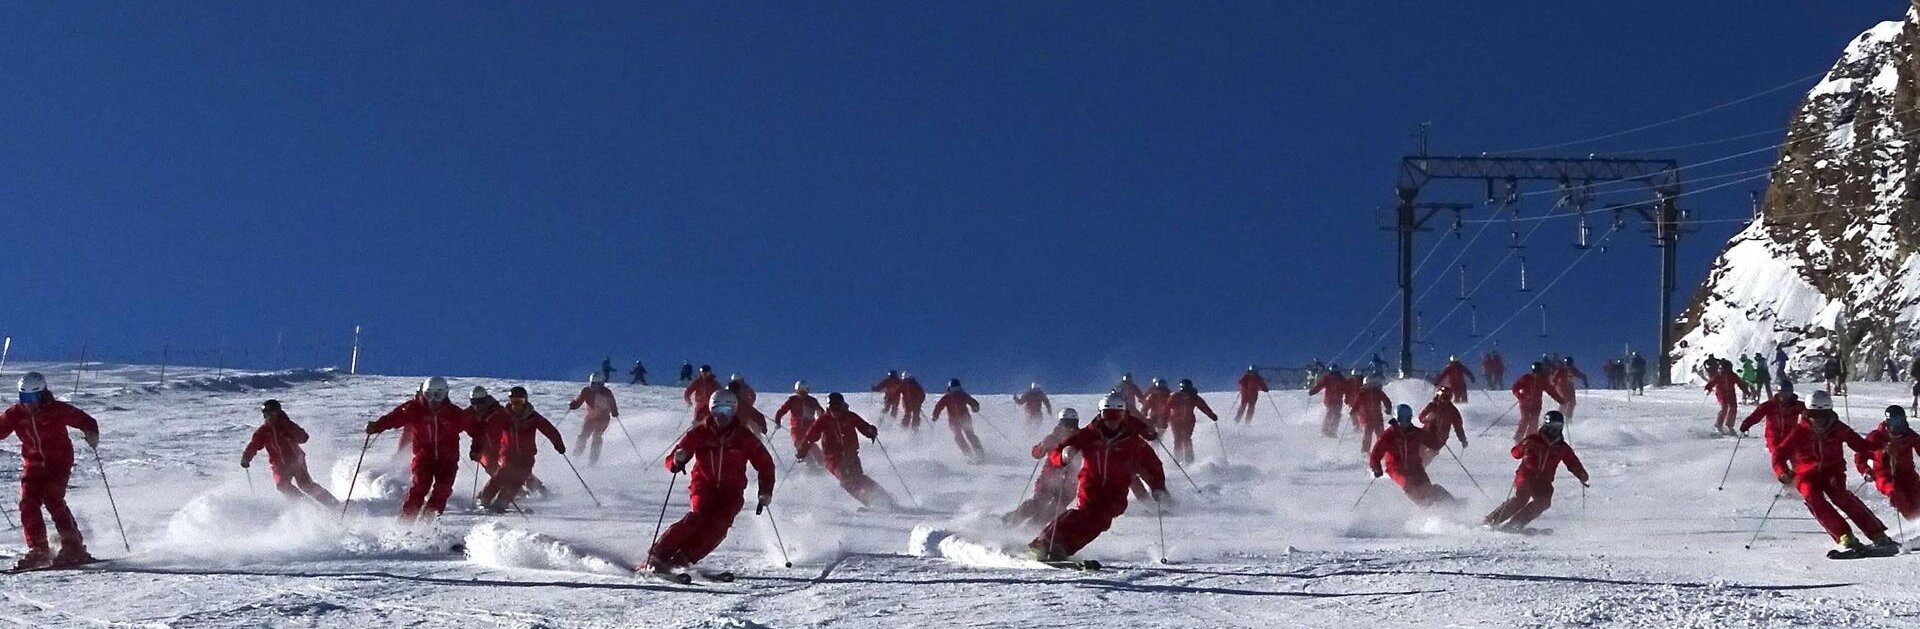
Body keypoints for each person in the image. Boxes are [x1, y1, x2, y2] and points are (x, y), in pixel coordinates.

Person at [645, 389, 776, 576]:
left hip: (732, 491)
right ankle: (658, 555)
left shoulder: (744, 437)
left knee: (719, 525)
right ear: (711, 410)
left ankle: (684, 558)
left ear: (734, 411)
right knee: (698, 517)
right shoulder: (700, 433)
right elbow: (672, 459)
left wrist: (766, 491)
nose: (722, 416)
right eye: (717, 410)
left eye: (727, 410)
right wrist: (677, 459)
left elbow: (765, 465)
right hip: (704, 485)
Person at [1028, 393, 1168, 562]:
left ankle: (1064, 548)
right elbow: (1059, 450)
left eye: (1116, 415)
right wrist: (1064, 456)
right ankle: (1045, 542)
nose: (1112, 421)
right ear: (1100, 414)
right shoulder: (1089, 434)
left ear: (1124, 416)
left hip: (1117, 490)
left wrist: (1158, 485)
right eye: (1107, 415)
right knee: (1084, 515)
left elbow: (1152, 464)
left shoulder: (1132, 440)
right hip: (1091, 484)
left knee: (1100, 522)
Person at [1771, 390, 1898, 556]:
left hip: (1833, 471)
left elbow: (1861, 445)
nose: (1819, 419)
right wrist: (1782, 471)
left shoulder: (1838, 428)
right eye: (1814, 414)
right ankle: (1844, 536)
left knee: (1841, 496)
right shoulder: (1799, 431)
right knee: (1812, 497)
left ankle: (1877, 534)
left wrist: (1881, 453)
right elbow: (1779, 453)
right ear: (1808, 413)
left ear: (1829, 412)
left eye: (1823, 414)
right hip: (1806, 474)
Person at [0, 372, 101, 569]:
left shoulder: (57, 410)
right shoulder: (15, 414)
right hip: (33, 464)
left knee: (52, 497)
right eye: (24, 398)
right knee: (28, 502)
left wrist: (91, 433)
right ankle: (38, 550)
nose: (28, 403)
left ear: (42, 394)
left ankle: (74, 547)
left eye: (32, 398)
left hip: (59, 462)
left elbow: (86, 421)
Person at [365, 377, 480, 519]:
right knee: (420, 487)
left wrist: (477, 448)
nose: (433, 400)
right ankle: (406, 521)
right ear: (423, 394)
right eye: (429, 395)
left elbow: (475, 430)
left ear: (445, 394)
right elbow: (394, 418)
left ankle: (428, 523)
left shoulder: (454, 413)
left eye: (438, 395)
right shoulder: (414, 408)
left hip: (448, 461)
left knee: (442, 490)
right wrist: (377, 426)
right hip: (424, 457)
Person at [1483, 411, 1588, 532]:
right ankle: (1492, 520)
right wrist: (1523, 447)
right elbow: (1515, 453)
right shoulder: (1533, 439)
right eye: (1553, 427)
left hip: (1544, 480)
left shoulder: (1561, 447)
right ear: (1547, 425)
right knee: (1521, 498)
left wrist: (1581, 474)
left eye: (1558, 427)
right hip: (1526, 475)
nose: (1555, 430)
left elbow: (1572, 461)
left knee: (1543, 502)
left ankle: (1515, 524)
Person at [796, 393, 896, 508]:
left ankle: (886, 499)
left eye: (837, 409)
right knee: (846, 480)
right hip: (832, 458)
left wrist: (870, 431)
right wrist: (803, 449)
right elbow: (810, 436)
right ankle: (870, 502)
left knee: (859, 477)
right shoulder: (823, 420)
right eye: (832, 409)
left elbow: (862, 426)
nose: (835, 412)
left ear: (842, 406)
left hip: (850, 454)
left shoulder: (849, 416)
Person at [473, 387, 565, 513]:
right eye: (513, 401)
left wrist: (558, 443)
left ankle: (502, 501)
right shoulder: (505, 415)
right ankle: (484, 498)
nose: (516, 405)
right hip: (508, 454)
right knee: (502, 475)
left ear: (525, 401)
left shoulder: (533, 417)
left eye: (519, 401)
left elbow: (549, 430)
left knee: (518, 479)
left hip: (526, 456)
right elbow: (491, 426)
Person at [242, 399, 338, 507]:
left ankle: (333, 504)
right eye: (267, 415)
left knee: (305, 485)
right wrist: (246, 457)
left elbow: (304, 437)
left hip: (296, 461)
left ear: (278, 413)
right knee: (282, 485)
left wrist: (290, 433)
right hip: (278, 465)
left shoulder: (287, 425)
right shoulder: (263, 431)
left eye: (272, 414)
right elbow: (254, 445)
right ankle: (307, 506)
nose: (270, 417)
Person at [1007, 408, 1083, 527]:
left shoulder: (1082, 439)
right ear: (1061, 423)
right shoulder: (1052, 438)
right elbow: (1036, 454)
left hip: (1070, 482)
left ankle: (1031, 529)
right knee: (1038, 504)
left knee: (1056, 509)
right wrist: (1042, 447)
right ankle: (1011, 520)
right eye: (1066, 423)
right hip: (1049, 479)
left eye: (1073, 423)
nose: (1070, 427)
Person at [1370, 404, 1454, 507]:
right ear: (1396, 418)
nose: (1404, 422)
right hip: (1396, 468)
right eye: (1401, 419)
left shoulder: (1415, 432)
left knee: (1428, 488)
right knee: (1409, 486)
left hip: (1415, 466)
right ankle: (1426, 508)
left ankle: (1453, 505)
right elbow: (1376, 453)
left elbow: (1433, 442)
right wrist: (1376, 467)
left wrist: (1434, 430)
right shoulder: (1389, 435)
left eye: (1407, 419)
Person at [1857, 405, 1920, 521]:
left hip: (1907, 474)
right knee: (1896, 494)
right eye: (1894, 422)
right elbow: (1860, 456)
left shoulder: (1909, 435)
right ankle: (1913, 520)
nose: (1898, 427)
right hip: (1884, 475)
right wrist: (1866, 471)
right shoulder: (1876, 437)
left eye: (1900, 422)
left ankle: (1917, 518)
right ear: (1887, 423)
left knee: (1917, 493)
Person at [569, 372, 622, 465]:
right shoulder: (586, 391)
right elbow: (579, 400)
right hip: (590, 418)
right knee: (583, 436)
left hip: (603, 419)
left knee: (597, 437)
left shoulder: (606, 392)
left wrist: (614, 412)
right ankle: (576, 455)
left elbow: (612, 403)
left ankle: (593, 461)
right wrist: (574, 404)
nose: (594, 386)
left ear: (601, 384)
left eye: (596, 384)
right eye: (592, 383)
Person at [1510, 362, 1567, 445]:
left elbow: (1551, 391)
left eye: (1538, 372)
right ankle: (1518, 439)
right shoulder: (1526, 378)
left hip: (1536, 406)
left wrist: (1560, 400)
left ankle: (1530, 439)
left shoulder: (1543, 380)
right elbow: (1515, 387)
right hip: (1525, 404)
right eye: (1535, 372)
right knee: (1525, 420)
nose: (1536, 374)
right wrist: (1520, 396)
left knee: (1534, 422)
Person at [1739, 384, 1803, 457]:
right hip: (1773, 437)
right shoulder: (1770, 405)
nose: (1785, 396)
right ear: (1778, 393)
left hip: (1790, 437)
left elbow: (1810, 411)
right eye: (1782, 393)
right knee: (1778, 456)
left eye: (1787, 393)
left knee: (1796, 457)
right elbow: (1757, 415)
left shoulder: (1796, 405)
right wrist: (1747, 423)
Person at [1166, 379, 1219, 464]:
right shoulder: (1175, 396)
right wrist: (1164, 420)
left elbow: (1203, 406)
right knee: (1178, 439)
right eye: (1183, 389)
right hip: (1176, 421)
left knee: (1186, 439)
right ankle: (1178, 459)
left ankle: (1189, 460)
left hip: (1188, 421)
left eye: (1186, 389)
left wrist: (1211, 415)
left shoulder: (1194, 397)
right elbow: (1167, 407)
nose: (1185, 392)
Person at [932, 379, 986, 460]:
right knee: (958, 437)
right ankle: (968, 454)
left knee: (969, 434)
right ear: (950, 389)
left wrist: (975, 407)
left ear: (960, 388)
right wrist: (935, 415)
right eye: (953, 389)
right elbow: (939, 406)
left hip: (965, 418)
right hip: (954, 421)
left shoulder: (962, 395)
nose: (955, 391)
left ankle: (980, 452)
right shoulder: (947, 397)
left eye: (957, 389)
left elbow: (972, 401)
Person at [775, 381, 825, 467]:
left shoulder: (811, 401)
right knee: (798, 443)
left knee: (811, 445)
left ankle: (823, 463)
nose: (802, 395)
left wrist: (821, 418)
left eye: (804, 392)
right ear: (796, 391)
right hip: (796, 428)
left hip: (809, 428)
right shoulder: (792, 400)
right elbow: (782, 410)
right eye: (800, 392)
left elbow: (820, 411)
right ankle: (810, 464)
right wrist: (777, 421)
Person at [1417, 387, 1468, 464]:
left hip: (1439, 439)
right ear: (1439, 396)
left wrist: (1463, 439)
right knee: (1417, 453)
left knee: (1426, 459)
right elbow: (1421, 417)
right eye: (1443, 397)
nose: (1444, 400)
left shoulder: (1453, 411)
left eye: (1447, 397)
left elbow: (1458, 427)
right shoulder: (1432, 406)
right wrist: (1427, 420)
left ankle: (1418, 472)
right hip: (1426, 435)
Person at [1705, 365, 1752, 436]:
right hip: (1722, 395)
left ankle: (1729, 425)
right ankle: (1719, 424)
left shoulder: (1732, 375)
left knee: (1733, 408)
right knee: (1724, 407)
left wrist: (1746, 392)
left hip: (1731, 395)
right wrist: (1708, 389)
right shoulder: (1718, 376)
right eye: (1721, 369)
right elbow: (1711, 382)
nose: (1722, 371)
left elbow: (1740, 383)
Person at [1349, 375, 1391, 454]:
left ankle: (1382, 450)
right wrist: (1353, 410)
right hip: (1368, 419)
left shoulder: (1377, 392)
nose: (1370, 387)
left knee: (1381, 435)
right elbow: (1357, 404)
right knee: (1367, 436)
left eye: (1371, 385)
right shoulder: (1362, 394)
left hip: (1377, 418)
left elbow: (1386, 400)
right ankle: (1365, 451)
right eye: (1368, 385)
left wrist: (1388, 408)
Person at [1308, 365, 1347, 438]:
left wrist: (1313, 391)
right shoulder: (1341, 379)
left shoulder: (1327, 378)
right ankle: (1332, 431)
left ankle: (1325, 430)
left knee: (1330, 413)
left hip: (1329, 400)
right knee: (1336, 415)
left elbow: (1319, 386)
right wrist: (1347, 398)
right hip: (1337, 400)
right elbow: (1346, 389)